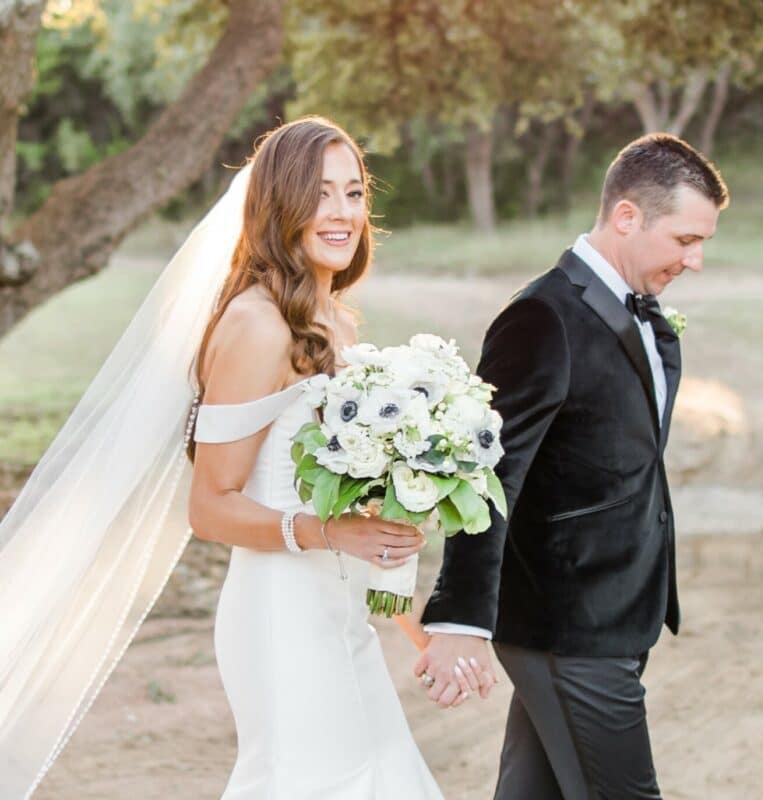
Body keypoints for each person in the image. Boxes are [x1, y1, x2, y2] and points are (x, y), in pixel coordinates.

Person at [0, 116, 466, 798]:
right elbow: (210, 507)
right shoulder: (256, 325)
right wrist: (333, 533)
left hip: (337, 609)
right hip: (280, 615)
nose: (342, 212)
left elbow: (357, 512)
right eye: (320, 193)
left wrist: (420, 631)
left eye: (354, 193)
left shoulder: (330, 318)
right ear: (281, 205)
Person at [417, 133, 729, 799]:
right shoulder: (542, 317)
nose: (696, 260)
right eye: (683, 240)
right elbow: (486, 476)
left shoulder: (646, 317)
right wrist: (459, 619)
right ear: (626, 217)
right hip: (569, 625)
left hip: (615, 611)